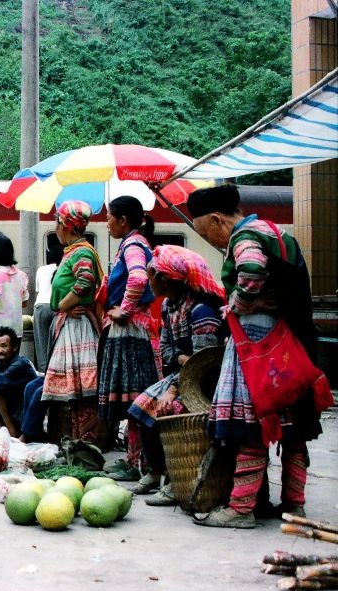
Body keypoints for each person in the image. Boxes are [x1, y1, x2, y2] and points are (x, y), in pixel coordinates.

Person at [187, 184, 331, 528]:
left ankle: (241, 508)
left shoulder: (245, 236)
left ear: (218, 220)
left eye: (207, 234)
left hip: (259, 345)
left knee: (251, 426)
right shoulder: (276, 232)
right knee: (293, 428)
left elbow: (251, 271)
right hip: (293, 344)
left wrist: (240, 302)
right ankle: (294, 506)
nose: (214, 243)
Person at [122, 245, 225, 501]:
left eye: (151, 276)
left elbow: (205, 364)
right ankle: (155, 471)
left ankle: (174, 479)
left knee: (166, 413)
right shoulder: (169, 305)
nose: (148, 282)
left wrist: (173, 387)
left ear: (165, 278)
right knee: (139, 408)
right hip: (184, 373)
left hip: (207, 383)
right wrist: (181, 358)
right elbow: (168, 349)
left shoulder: (201, 311)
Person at [97, 195, 161, 465]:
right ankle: (135, 458)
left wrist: (124, 309)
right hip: (132, 329)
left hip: (130, 330)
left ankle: (140, 461)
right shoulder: (133, 243)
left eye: (109, 217)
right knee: (134, 398)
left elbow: (137, 276)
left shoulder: (132, 244)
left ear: (123, 220)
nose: (107, 223)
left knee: (135, 397)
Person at [41, 201, 103, 443]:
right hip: (71, 325)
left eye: (57, 222)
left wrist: (65, 304)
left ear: (65, 225)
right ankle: (77, 441)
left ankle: (85, 443)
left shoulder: (82, 252)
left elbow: (86, 280)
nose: (55, 227)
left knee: (81, 391)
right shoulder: (74, 251)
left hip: (78, 328)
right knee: (74, 391)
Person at [33, 244, 63, 372]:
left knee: (42, 345)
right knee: (58, 344)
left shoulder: (41, 269)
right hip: (58, 307)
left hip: (41, 306)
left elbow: (38, 290)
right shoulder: (64, 268)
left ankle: (43, 374)